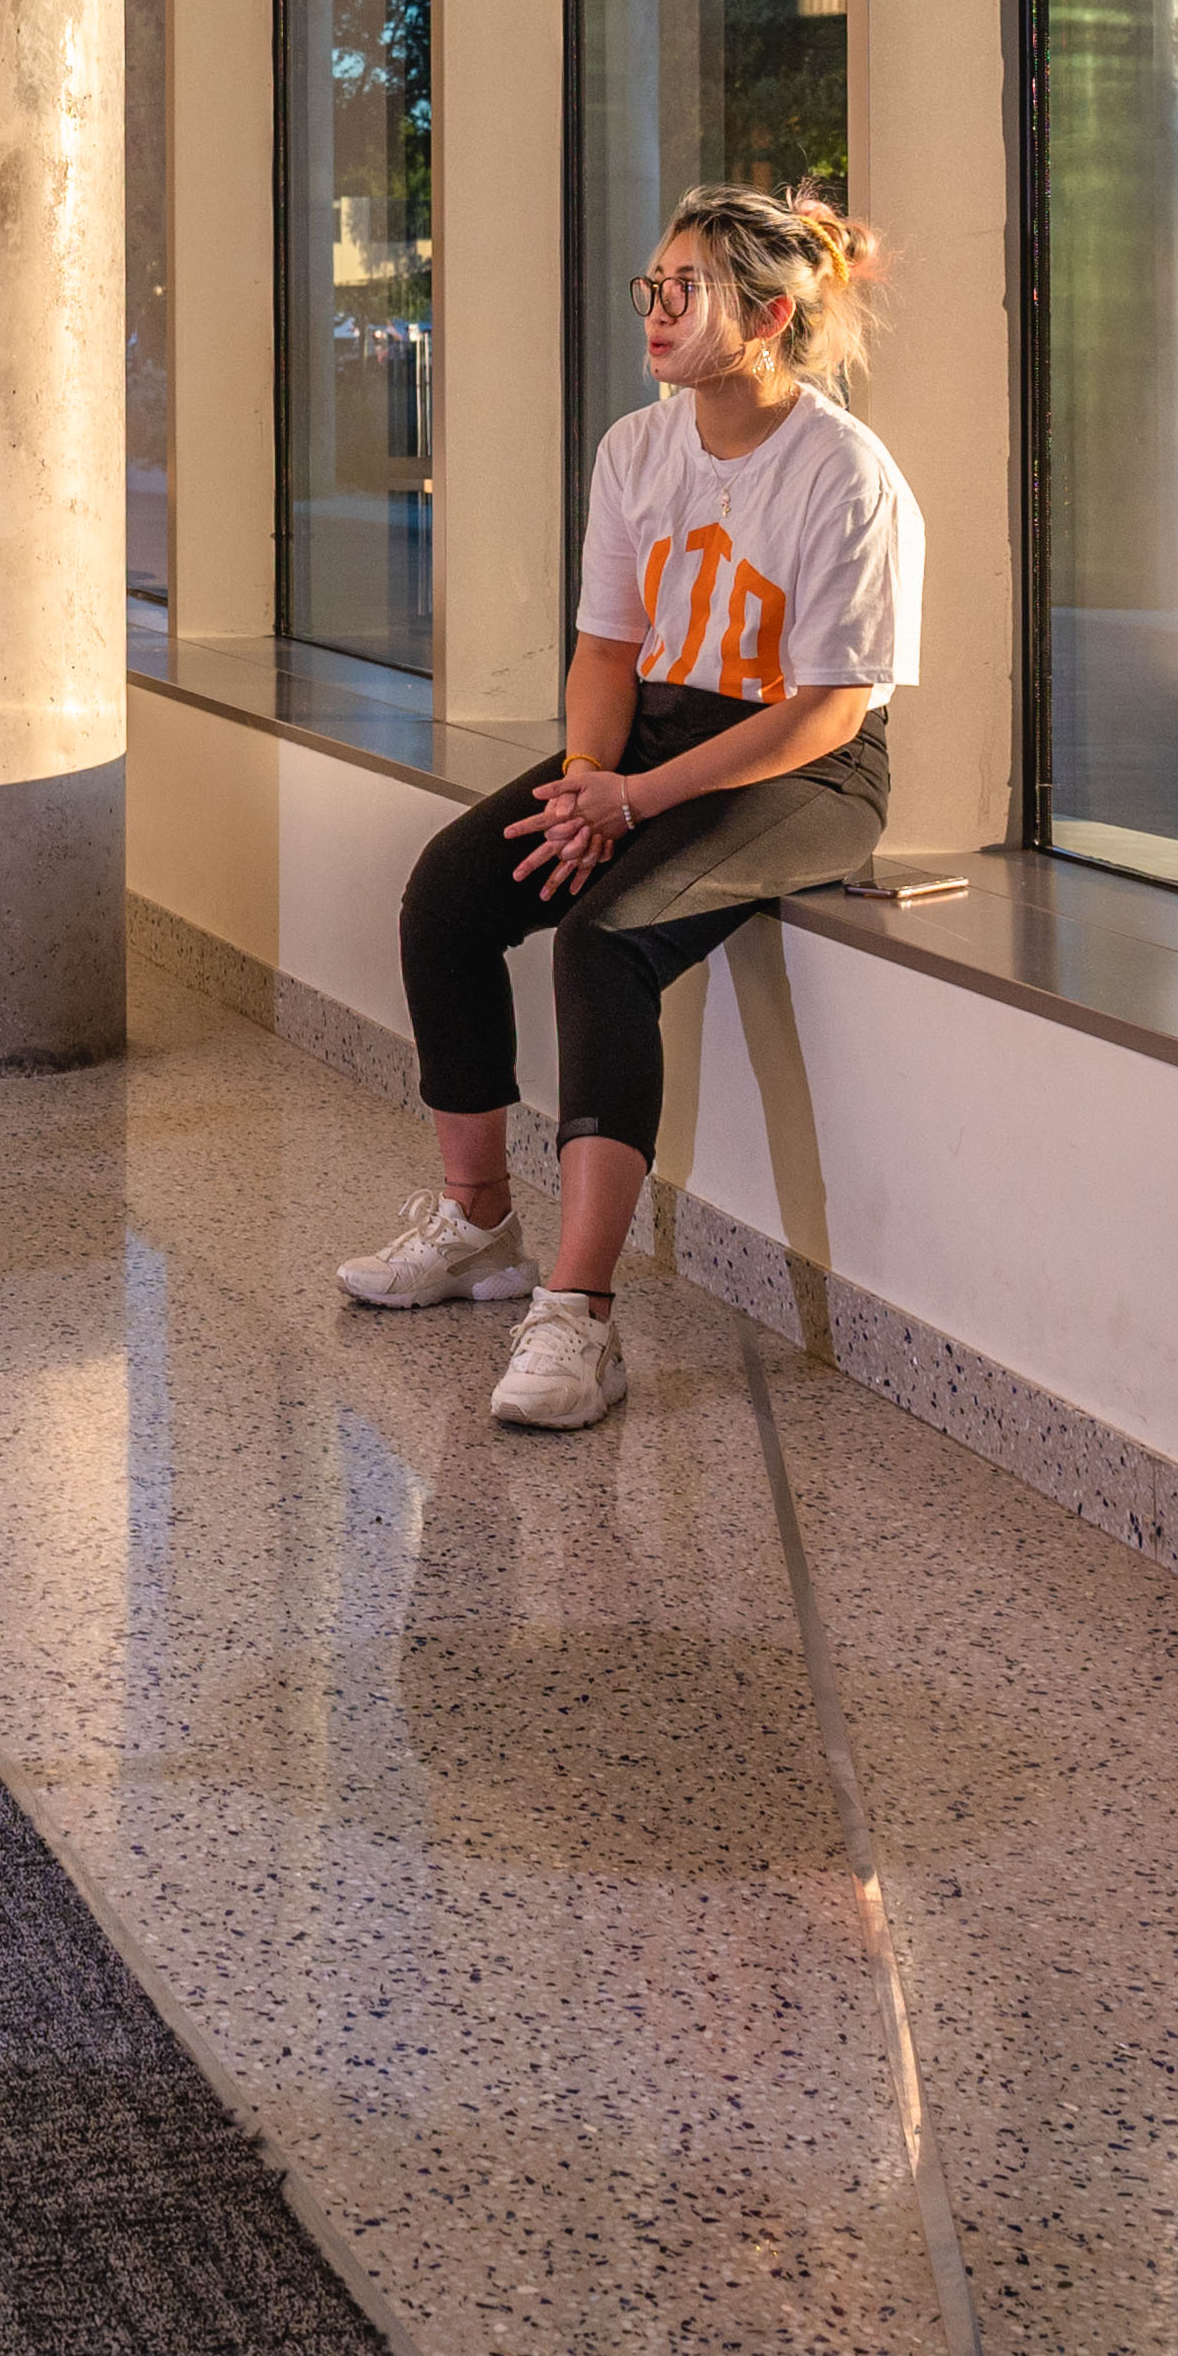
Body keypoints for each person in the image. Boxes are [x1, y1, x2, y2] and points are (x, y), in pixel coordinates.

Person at [336, 187, 922, 1438]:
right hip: (647, 735)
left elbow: (828, 710)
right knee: (450, 890)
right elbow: (606, 652)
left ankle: (579, 1316)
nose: (655, 310)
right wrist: (587, 784)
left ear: (767, 317)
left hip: (805, 769)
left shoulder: (844, 474)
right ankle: (480, 1224)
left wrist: (634, 802)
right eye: (651, 285)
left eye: (686, 289)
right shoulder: (636, 448)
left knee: (605, 939)